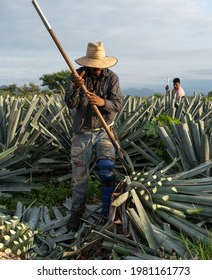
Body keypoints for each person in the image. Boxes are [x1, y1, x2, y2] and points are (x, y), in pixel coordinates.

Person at [65, 41, 123, 231]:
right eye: (94, 66)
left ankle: (107, 212)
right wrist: (75, 87)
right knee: (79, 176)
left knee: (107, 171)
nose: (98, 70)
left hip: (105, 131)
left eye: (101, 66)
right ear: (88, 64)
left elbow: (118, 104)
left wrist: (101, 102)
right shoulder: (76, 77)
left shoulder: (112, 78)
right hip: (82, 132)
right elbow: (71, 104)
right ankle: (77, 213)